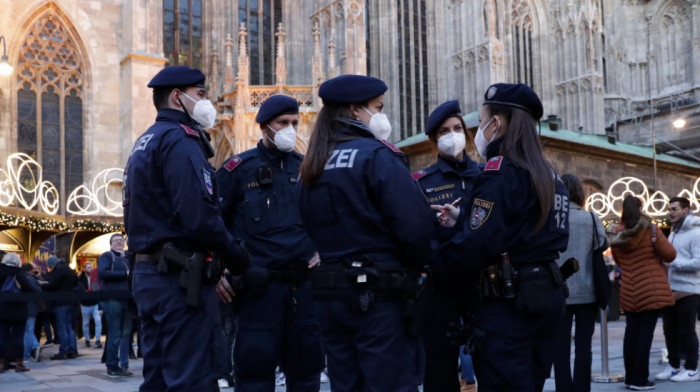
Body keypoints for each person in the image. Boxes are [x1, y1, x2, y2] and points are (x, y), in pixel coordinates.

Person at [297, 74, 433, 392]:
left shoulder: (312, 164)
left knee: (346, 384)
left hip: (329, 293)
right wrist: (418, 267)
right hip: (379, 295)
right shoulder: (377, 156)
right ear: (356, 110)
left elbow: (304, 223)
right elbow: (415, 227)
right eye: (378, 107)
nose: (381, 115)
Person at [123, 65, 250, 392]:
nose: (207, 103)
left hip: (150, 273)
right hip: (178, 279)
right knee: (192, 378)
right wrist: (237, 254)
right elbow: (199, 217)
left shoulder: (145, 140)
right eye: (202, 95)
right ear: (178, 97)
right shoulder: (180, 140)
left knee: (159, 378)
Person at [435, 83, 569, 391]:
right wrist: (465, 220)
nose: (479, 129)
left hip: (509, 306)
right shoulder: (548, 174)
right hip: (544, 295)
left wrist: (433, 262)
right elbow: (522, 226)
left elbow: (478, 244)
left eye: (481, 122)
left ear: (496, 123)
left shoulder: (501, 172)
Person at [215, 94, 323, 392]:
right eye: (282, 123)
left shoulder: (306, 168)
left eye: (294, 123)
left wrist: (321, 250)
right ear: (263, 127)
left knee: (307, 372)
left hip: (302, 289)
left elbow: (326, 217)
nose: (290, 129)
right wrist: (219, 268)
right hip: (258, 290)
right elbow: (213, 222)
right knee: (254, 375)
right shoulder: (238, 168)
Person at [412, 100, 480, 392]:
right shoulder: (422, 182)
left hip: (482, 286)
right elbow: (415, 233)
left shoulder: (485, 176)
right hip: (441, 288)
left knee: (493, 366)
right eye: (444, 131)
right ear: (433, 140)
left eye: (457, 128)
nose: (452, 135)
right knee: (439, 372)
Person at [609, 195, 676, 390]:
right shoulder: (651, 229)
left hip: (629, 289)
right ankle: (640, 380)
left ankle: (630, 378)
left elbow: (619, 262)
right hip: (651, 289)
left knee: (631, 333)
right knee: (645, 335)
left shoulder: (617, 235)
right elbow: (670, 255)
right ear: (640, 208)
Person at [552, 174, 608, 392]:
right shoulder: (591, 218)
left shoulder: (552, 219)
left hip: (559, 290)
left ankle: (563, 388)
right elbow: (602, 243)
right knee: (584, 345)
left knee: (560, 346)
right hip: (588, 291)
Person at [655, 196, 700, 382]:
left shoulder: (696, 233)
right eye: (670, 209)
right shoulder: (674, 233)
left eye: (675, 209)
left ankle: (692, 368)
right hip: (671, 288)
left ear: (686, 210)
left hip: (689, 289)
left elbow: (698, 262)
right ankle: (674, 365)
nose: (671, 212)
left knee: (686, 329)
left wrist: (673, 263)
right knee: (669, 329)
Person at [97, 234, 132, 378]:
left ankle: (122, 365)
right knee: (115, 333)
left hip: (127, 299)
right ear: (111, 244)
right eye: (115, 241)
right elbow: (102, 273)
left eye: (121, 240)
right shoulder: (107, 256)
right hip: (112, 298)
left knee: (125, 334)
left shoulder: (127, 258)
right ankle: (112, 365)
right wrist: (126, 273)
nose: (119, 242)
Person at [0, 253, 41, 372]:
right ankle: (19, 364)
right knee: (19, 337)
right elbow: (30, 290)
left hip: (2, 309)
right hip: (18, 310)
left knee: (2, 337)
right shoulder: (20, 274)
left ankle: (1, 364)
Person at [40, 256, 79, 360]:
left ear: (52, 265)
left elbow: (53, 284)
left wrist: (41, 284)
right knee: (69, 327)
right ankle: (72, 350)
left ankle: (64, 351)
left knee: (62, 328)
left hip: (61, 302)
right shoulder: (68, 268)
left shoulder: (59, 269)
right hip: (71, 301)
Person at [20, 262, 42, 362]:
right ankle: (35, 347)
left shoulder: (22, 278)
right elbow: (38, 292)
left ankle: (27, 353)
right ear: (29, 270)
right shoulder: (30, 279)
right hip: (30, 307)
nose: (35, 270)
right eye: (33, 269)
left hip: (25, 307)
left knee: (27, 331)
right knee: (28, 331)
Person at [78, 261, 102, 349]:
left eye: (91, 267)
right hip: (85, 303)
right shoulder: (80, 277)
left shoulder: (95, 275)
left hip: (95, 302)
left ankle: (98, 339)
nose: (90, 269)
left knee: (98, 321)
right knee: (86, 323)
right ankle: (87, 339)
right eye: (88, 267)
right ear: (84, 268)